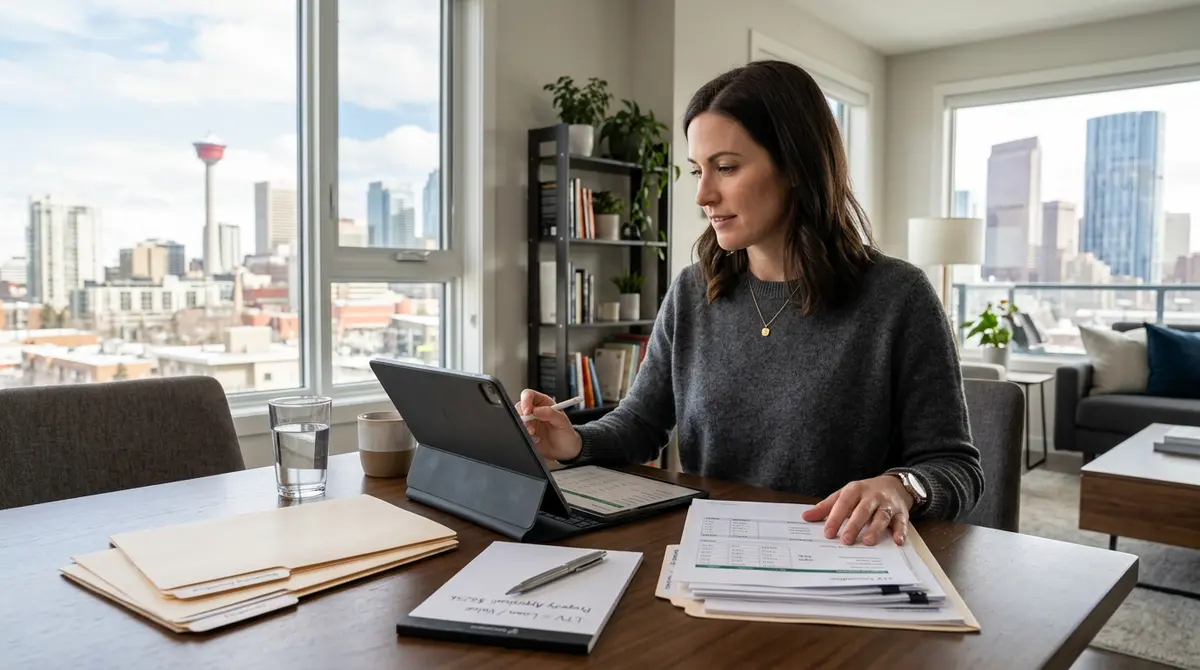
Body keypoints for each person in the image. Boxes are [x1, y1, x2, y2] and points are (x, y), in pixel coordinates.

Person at [518, 60, 983, 548]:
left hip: (843, 559)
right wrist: (574, 441)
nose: (703, 194)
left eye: (726, 167)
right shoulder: (693, 292)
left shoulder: (897, 297)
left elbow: (955, 466)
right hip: (716, 554)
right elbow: (640, 423)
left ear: (797, 166)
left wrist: (900, 486)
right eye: (698, 170)